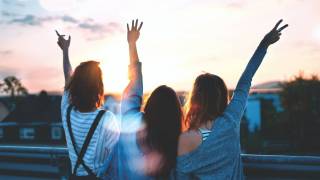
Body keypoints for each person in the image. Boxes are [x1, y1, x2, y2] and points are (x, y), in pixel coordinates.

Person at [176, 20, 288, 179]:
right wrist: (264, 45)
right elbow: (245, 81)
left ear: (194, 98)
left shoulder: (184, 139)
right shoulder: (230, 120)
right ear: (221, 96)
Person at [115, 19, 183, 179]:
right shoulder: (176, 143)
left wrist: (132, 44)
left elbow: (135, 82)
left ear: (150, 104)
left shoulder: (132, 122)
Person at [56, 30, 120, 179]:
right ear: (98, 88)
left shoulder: (67, 111)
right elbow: (116, 159)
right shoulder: (107, 119)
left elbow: (68, 78)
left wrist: (65, 51)